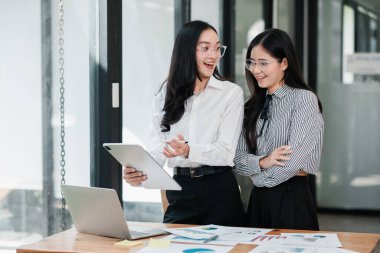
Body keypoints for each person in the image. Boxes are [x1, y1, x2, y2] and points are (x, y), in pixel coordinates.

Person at [123, 20, 245, 226]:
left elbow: (226, 152)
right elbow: (157, 148)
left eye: (217, 48)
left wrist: (188, 150)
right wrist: (139, 173)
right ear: (187, 51)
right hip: (180, 190)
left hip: (219, 191)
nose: (214, 55)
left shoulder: (230, 93)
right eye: (205, 48)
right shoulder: (165, 94)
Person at [233, 28, 324, 230]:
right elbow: (237, 160)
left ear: (284, 63)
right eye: (251, 62)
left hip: (292, 199)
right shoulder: (250, 107)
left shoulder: (303, 100)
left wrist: (257, 175)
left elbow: (292, 163)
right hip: (257, 201)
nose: (256, 70)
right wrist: (264, 161)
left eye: (263, 63)